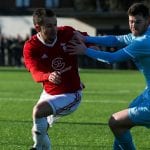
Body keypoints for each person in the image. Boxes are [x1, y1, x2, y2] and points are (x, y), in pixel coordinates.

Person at [66, 3, 150, 150]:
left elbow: (112, 58)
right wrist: (86, 39)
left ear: (148, 21)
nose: (133, 25)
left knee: (115, 122)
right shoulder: (142, 34)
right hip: (147, 93)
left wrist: (85, 50)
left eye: (137, 22)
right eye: (131, 21)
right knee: (123, 122)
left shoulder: (143, 42)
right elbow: (115, 40)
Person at [23, 8, 94, 150]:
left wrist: (93, 48)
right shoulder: (31, 47)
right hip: (48, 93)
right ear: (38, 27)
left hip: (71, 94)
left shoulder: (67, 33)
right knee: (38, 129)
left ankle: (36, 147)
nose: (54, 29)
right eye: (49, 26)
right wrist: (48, 76)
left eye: (55, 24)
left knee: (38, 112)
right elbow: (35, 73)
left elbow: (88, 40)